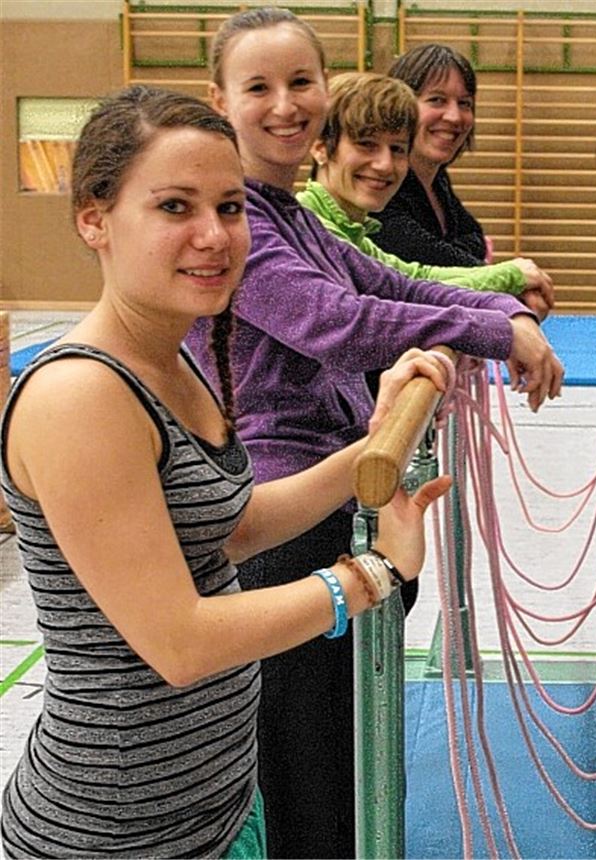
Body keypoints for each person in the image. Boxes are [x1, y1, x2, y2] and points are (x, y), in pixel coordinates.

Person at [0, 85, 452, 859]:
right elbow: (180, 642)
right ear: (94, 218)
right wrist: (370, 575)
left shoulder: (175, 359)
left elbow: (229, 529)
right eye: (175, 208)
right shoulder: (82, 394)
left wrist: (369, 453)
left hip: (214, 797)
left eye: (232, 207)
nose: (215, 236)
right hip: (117, 830)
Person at [183, 9, 563, 858]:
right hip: (275, 510)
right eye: (259, 88)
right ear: (221, 101)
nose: (286, 105)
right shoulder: (242, 223)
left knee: (341, 755)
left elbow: (393, 278)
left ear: (327, 90)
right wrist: (501, 332)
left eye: (301, 83)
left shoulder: (292, 217)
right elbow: (340, 322)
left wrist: (500, 309)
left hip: (325, 491)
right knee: (306, 770)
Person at [299, 71, 554, 319]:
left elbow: (416, 278)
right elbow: (399, 300)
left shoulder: (353, 232)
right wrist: (507, 287)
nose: (385, 165)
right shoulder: (308, 230)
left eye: (397, 149)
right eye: (366, 144)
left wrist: (510, 278)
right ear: (320, 148)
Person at [375, 44, 491, 267]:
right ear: (400, 105)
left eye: (464, 103)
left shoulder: (436, 178)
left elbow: (474, 238)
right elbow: (420, 256)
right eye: (437, 100)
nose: (454, 116)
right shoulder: (381, 179)